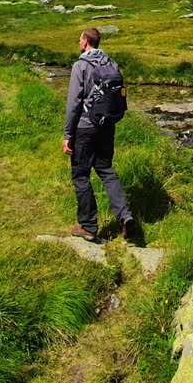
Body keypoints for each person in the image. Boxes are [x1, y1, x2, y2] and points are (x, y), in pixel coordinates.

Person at [63, 27, 138, 243]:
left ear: (86, 42)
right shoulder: (112, 63)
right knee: (106, 169)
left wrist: (68, 133)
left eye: (79, 39)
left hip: (85, 127)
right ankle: (125, 215)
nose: (78, 42)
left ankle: (88, 227)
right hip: (107, 126)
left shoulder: (80, 66)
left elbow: (73, 103)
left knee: (81, 175)